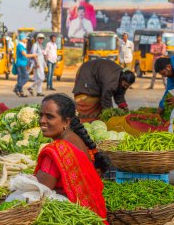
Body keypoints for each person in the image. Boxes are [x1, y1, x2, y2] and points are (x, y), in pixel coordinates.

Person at [35, 94, 109, 222]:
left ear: (66, 122)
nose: (42, 120)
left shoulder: (57, 151)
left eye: (49, 116)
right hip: (89, 217)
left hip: (69, 218)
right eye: (41, 115)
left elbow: (36, 193)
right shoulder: (75, 139)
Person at [13, 33, 37, 98]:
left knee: (20, 79)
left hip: (22, 63)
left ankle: (21, 92)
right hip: (21, 64)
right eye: (25, 38)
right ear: (22, 39)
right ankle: (16, 88)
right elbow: (25, 55)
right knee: (26, 78)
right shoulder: (20, 46)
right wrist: (34, 55)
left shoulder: (22, 45)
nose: (26, 39)